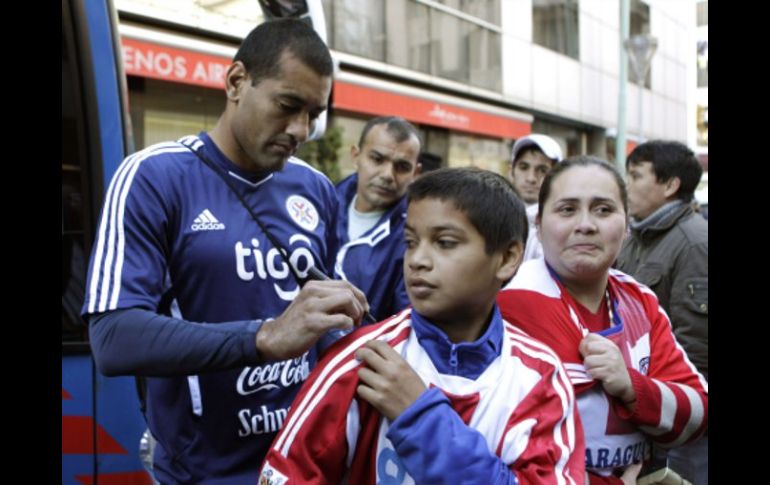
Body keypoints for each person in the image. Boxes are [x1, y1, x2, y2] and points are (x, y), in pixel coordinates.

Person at [81, 19, 369, 483]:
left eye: (313, 114)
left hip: (302, 464)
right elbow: (113, 338)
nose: (301, 128)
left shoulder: (314, 188)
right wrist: (263, 336)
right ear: (236, 82)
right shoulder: (153, 177)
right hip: (202, 472)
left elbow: (324, 325)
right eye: (288, 105)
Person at [260, 168, 585, 484]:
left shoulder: (542, 379)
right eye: (411, 242)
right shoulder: (359, 362)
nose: (417, 260)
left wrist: (421, 418)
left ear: (507, 258)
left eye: (444, 242)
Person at [497, 156, 708, 484]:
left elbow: (698, 413)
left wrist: (633, 388)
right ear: (538, 224)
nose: (586, 225)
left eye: (603, 210)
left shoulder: (640, 301)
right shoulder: (504, 303)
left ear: (626, 227)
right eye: (567, 209)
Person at [616, 140, 708, 484]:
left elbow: (698, 347)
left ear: (670, 186)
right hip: (644, 407)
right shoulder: (637, 237)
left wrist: (664, 409)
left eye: (636, 175)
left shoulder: (696, 243)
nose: (627, 184)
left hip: (681, 421)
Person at [334, 117, 421, 321]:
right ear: (356, 156)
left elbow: (406, 321)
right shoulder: (320, 207)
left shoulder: (415, 237)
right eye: (377, 159)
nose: (388, 174)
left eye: (402, 167)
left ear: (416, 173)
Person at [507, 133, 563, 262]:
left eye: (542, 170)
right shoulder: (493, 215)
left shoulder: (562, 227)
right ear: (511, 171)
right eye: (524, 167)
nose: (531, 178)